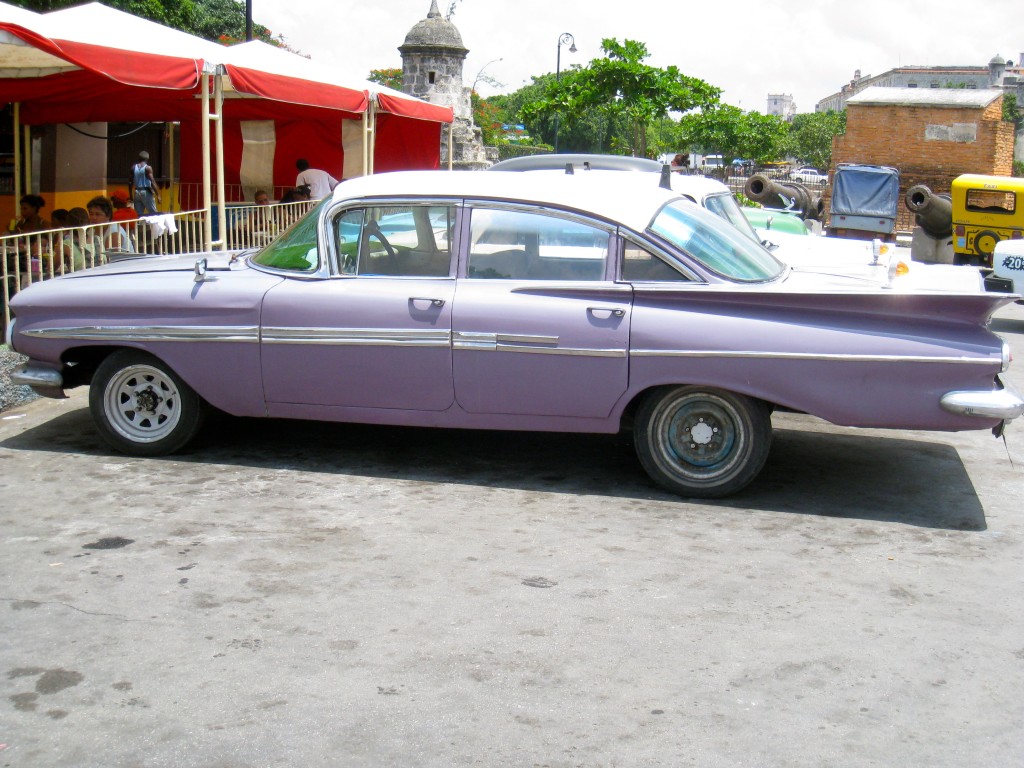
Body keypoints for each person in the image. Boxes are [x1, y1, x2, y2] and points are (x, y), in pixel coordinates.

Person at [129, 151, 161, 215]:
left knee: (138, 215)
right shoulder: (148, 168)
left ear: (139, 158)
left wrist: (130, 195)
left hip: (137, 192)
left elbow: (130, 182)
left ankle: (139, 225)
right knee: (154, 214)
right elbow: (153, 182)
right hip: (146, 192)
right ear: (147, 159)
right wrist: (158, 195)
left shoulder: (133, 168)